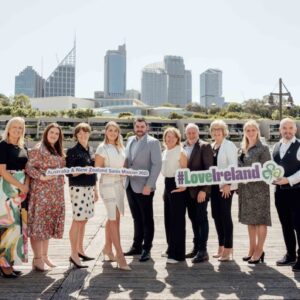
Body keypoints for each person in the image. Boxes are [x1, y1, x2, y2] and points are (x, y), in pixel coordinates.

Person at [26, 123, 65, 271]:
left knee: (47, 224)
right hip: (42, 193)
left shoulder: (56, 149)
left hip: (55, 194)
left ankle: (45, 256)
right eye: (52, 132)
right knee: (39, 225)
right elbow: (29, 167)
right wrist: (41, 177)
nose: (54, 135)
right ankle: (37, 259)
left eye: (56, 133)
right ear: (46, 133)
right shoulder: (39, 148)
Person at [124, 117, 162, 262]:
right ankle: (136, 246)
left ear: (146, 127)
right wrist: (123, 169)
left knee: (147, 219)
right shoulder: (130, 141)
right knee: (136, 218)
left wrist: (149, 185)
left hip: (145, 187)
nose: (139, 129)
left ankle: (147, 248)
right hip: (130, 185)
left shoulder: (153, 142)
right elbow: (128, 160)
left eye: (142, 126)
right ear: (134, 127)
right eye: (137, 126)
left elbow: (156, 165)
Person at [95, 121, 131, 270]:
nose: (113, 133)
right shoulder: (102, 148)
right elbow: (98, 168)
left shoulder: (121, 147)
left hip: (119, 185)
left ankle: (107, 249)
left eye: (115, 131)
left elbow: (124, 166)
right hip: (108, 185)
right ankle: (120, 255)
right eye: (110, 130)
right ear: (106, 132)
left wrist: (124, 172)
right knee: (113, 218)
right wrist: (115, 171)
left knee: (115, 219)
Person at [238, 120, 271, 264]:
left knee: (260, 220)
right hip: (245, 190)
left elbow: (267, 169)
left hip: (259, 189)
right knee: (250, 221)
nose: (250, 133)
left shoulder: (263, 148)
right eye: (248, 130)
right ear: (244, 132)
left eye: (253, 130)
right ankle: (251, 250)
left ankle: (259, 250)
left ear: (258, 131)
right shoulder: (242, 148)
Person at [66, 123, 98, 268]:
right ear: (76, 135)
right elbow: (69, 172)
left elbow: (94, 171)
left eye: (85, 133)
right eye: (80, 133)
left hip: (89, 188)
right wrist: (83, 169)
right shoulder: (72, 151)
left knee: (84, 220)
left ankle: (80, 250)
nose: (83, 135)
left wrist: (95, 190)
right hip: (78, 188)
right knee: (77, 220)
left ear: (89, 134)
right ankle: (73, 254)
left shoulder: (91, 150)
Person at [0, 117, 29, 278]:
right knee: (6, 227)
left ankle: (10, 262)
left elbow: (28, 167)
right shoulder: (3, 145)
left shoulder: (23, 145)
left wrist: (27, 185)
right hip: (7, 190)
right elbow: (2, 171)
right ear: (9, 128)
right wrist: (21, 186)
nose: (17, 130)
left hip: (21, 191)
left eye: (20, 128)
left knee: (17, 228)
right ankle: (4, 265)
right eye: (15, 127)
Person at [183, 123, 214, 263]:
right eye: (188, 133)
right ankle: (196, 247)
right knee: (193, 219)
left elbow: (210, 170)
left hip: (201, 191)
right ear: (185, 134)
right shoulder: (183, 147)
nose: (191, 135)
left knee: (201, 219)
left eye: (193, 132)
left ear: (198, 133)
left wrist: (204, 190)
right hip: (188, 192)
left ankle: (203, 250)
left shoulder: (204, 146)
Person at [273, 117, 300, 272]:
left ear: (295, 130)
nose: (288, 131)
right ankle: (290, 255)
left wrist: (288, 180)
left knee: (299, 226)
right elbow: (272, 168)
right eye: (285, 128)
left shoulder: (299, 146)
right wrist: (271, 178)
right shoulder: (276, 146)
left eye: (291, 128)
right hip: (280, 194)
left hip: (296, 192)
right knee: (286, 225)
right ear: (280, 130)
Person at [210, 120, 237, 261]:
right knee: (216, 215)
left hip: (225, 186)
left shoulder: (229, 145)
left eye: (219, 130)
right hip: (213, 186)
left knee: (225, 215)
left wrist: (228, 183)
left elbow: (234, 165)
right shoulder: (212, 146)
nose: (216, 132)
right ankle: (221, 245)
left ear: (223, 131)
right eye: (214, 130)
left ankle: (228, 248)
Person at [161, 127, 187, 264]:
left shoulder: (180, 151)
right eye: (167, 136)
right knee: (168, 220)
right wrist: (165, 190)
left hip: (177, 185)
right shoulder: (165, 151)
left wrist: (182, 187)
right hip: (168, 184)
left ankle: (178, 255)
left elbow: (184, 169)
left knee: (177, 221)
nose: (170, 139)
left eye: (173, 137)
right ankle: (170, 249)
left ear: (177, 138)